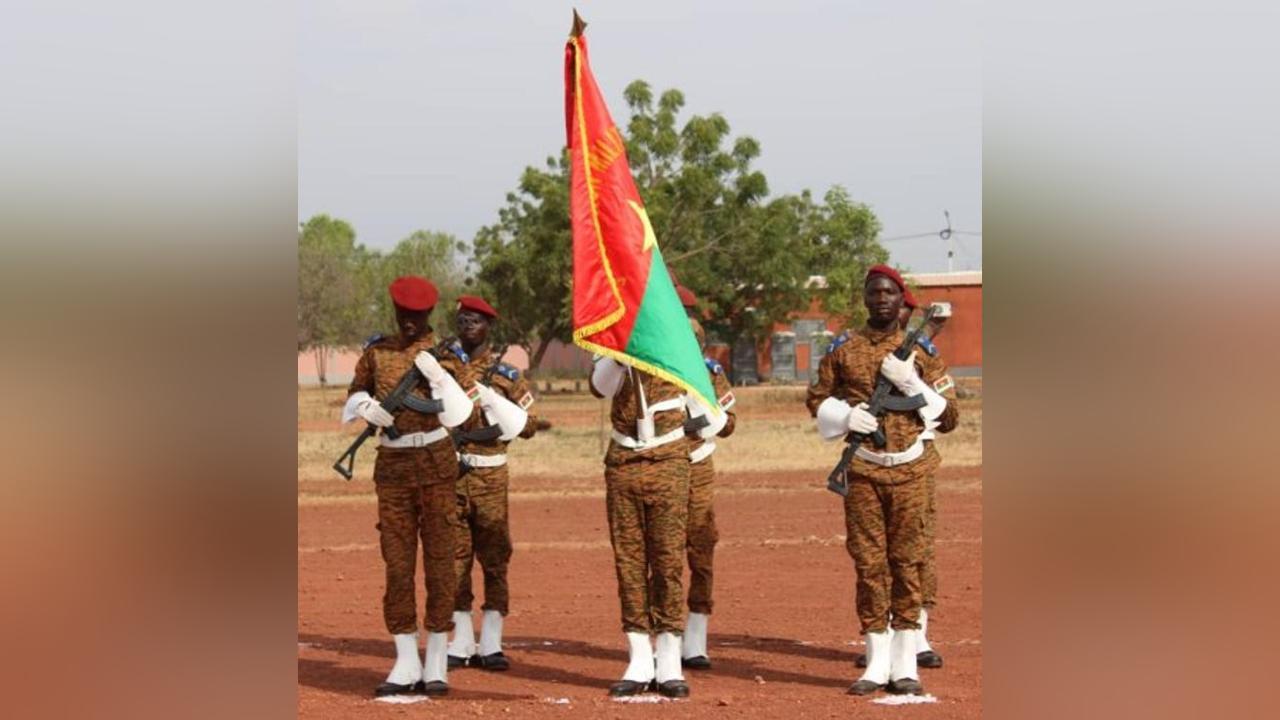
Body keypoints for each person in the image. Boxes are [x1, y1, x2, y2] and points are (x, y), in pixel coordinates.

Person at [805, 265, 959, 696]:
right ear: (865, 299)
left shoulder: (922, 351)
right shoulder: (844, 348)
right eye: (874, 292)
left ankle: (906, 661)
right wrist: (845, 416)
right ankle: (875, 662)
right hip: (864, 469)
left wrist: (912, 382)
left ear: (900, 298)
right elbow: (816, 398)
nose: (881, 299)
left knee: (907, 565)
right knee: (870, 565)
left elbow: (949, 416)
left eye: (890, 292)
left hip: (911, 470)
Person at [342, 276, 475, 697]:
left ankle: (436, 657)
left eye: (417, 317)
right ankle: (404, 658)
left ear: (428, 315)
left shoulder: (446, 355)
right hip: (394, 467)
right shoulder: (377, 353)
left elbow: (462, 414)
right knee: (397, 565)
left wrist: (439, 379)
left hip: (436, 466)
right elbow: (353, 394)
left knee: (440, 564)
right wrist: (366, 407)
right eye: (405, 316)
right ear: (396, 313)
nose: (411, 323)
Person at [589, 352, 705, 698]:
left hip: (668, 457)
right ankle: (639, 657)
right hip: (624, 459)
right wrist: (619, 357)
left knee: (667, 561)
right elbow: (600, 387)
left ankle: (669, 659)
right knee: (629, 562)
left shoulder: (673, 338)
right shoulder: (612, 339)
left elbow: (708, 407)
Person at [436, 295, 543, 672]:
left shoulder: (507, 375)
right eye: (462, 318)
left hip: (491, 474)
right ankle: (462, 640)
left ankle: (492, 642)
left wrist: (496, 403)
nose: (467, 325)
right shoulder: (441, 368)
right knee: (454, 560)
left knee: (495, 559)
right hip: (452, 473)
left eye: (475, 320)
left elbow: (529, 424)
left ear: (488, 327)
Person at [673, 287, 737, 670]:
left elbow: (728, 423)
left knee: (699, 546)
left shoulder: (707, 367)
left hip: (694, 463)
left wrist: (702, 414)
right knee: (657, 552)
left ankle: (695, 634)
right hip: (654, 463)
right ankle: (661, 633)